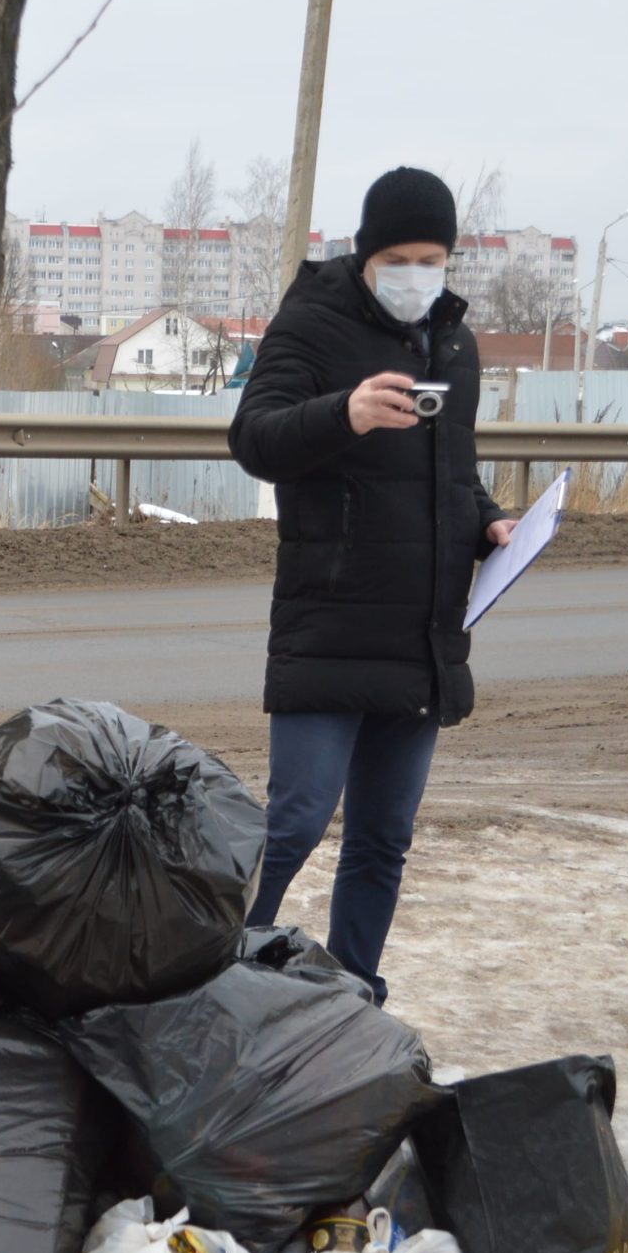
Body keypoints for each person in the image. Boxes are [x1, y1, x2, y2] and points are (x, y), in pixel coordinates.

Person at [228, 166, 516, 1007]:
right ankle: (211, 975)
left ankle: (352, 1000)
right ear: (365, 251)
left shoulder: (451, 342)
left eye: (434, 258)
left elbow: (449, 465)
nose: (417, 275)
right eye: (400, 256)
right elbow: (254, 438)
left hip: (423, 632)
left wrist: (493, 519)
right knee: (294, 824)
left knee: (384, 838)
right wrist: (343, 412)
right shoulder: (312, 323)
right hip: (332, 619)